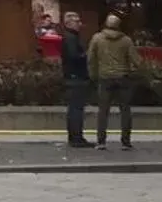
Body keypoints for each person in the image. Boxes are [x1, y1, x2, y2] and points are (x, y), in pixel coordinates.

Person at [87, 13, 142, 150]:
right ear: (118, 25)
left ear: (106, 23)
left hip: (104, 78)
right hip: (122, 78)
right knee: (125, 111)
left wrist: (93, 75)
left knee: (103, 111)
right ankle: (125, 142)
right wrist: (132, 71)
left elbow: (90, 59)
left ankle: (101, 141)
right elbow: (137, 61)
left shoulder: (97, 38)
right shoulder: (126, 40)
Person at [59, 10, 92, 148]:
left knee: (74, 108)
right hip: (76, 77)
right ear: (68, 23)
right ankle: (76, 138)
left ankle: (74, 137)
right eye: (77, 21)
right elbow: (74, 56)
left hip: (72, 76)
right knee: (76, 109)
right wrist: (86, 55)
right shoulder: (71, 38)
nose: (80, 23)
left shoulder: (70, 36)